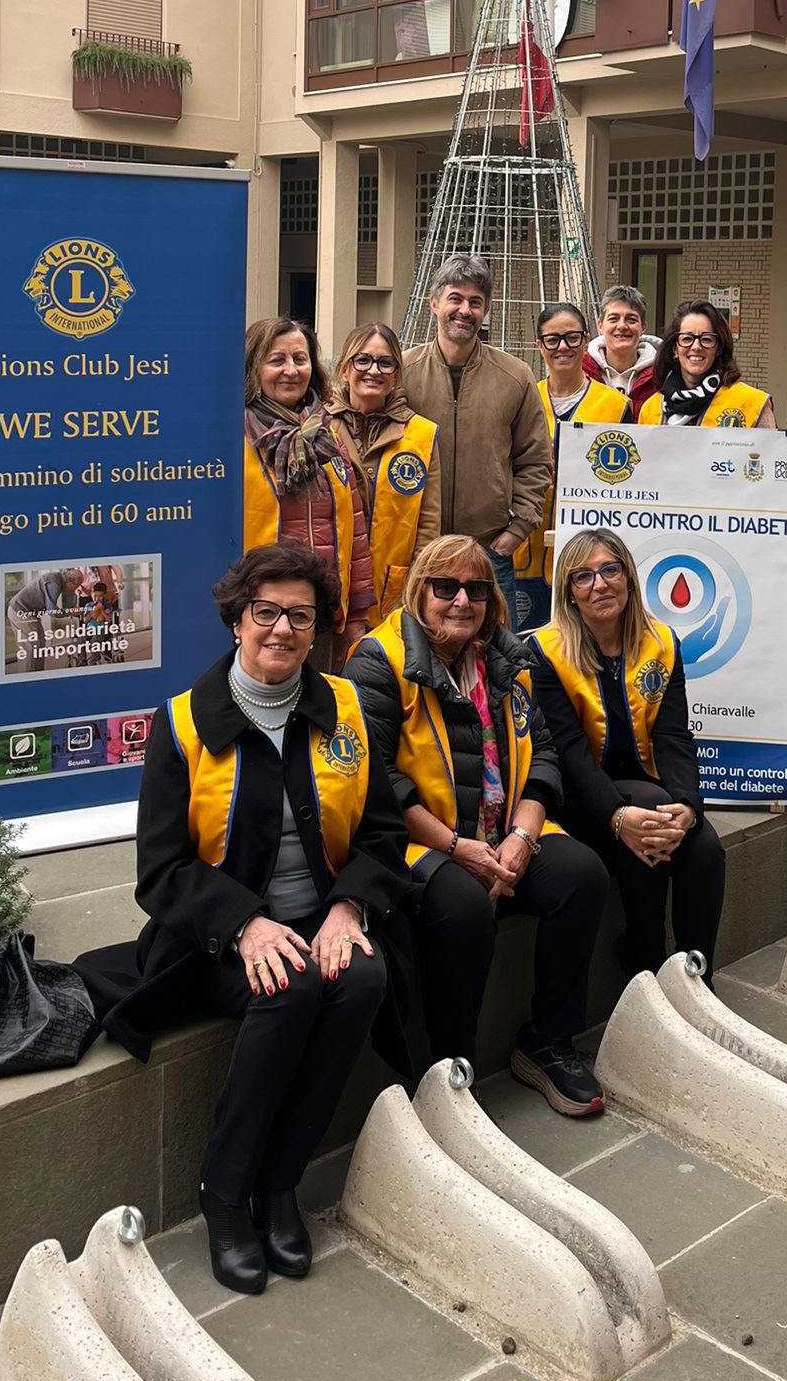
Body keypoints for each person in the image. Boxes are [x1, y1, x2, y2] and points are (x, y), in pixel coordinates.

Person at [76, 544, 411, 1296]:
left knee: (363, 978)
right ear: (237, 620)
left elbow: (382, 834)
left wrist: (348, 907)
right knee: (289, 987)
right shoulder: (182, 723)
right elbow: (161, 870)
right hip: (214, 940)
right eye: (266, 612)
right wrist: (248, 925)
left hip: (323, 917)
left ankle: (279, 1183)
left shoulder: (344, 709)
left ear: (317, 629)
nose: (282, 629)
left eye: (301, 616)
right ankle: (225, 1193)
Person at [349, 535, 609, 1117]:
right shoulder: (378, 659)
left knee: (582, 875)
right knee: (463, 907)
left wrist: (522, 837)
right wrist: (458, 846)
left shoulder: (507, 658)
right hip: (418, 840)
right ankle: (451, 1073)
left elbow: (543, 754)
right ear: (419, 592)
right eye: (446, 587)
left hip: (502, 830)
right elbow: (375, 778)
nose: (462, 600)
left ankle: (548, 1040)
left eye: (477, 589)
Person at [531, 529, 724, 980]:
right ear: (569, 593)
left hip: (647, 793)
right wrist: (618, 815)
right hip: (580, 801)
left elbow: (674, 736)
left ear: (629, 578)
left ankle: (698, 978)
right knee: (648, 817)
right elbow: (568, 752)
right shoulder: (545, 652)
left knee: (705, 849)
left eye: (610, 570)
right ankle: (646, 963)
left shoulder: (661, 641)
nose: (599, 584)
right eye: (583, 576)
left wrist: (688, 808)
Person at [403, 255, 553, 630]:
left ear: (485, 310)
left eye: (475, 302)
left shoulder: (514, 376)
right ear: (434, 303)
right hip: (417, 553)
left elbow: (535, 461)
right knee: (414, 654)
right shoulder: (402, 374)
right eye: (455, 298)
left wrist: (516, 531)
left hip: (488, 553)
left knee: (498, 655)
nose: (465, 310)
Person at [243, 317, 373, 668]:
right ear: (253, 368)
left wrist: (357, 612)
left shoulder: (328, 438)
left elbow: (355, 529)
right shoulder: (232, 441)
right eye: (277, 360)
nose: (291, 370)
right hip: (259, 619)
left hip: (320, 616)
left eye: (300, 359)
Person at [513, 303, 631, 630]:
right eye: (552, 339)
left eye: (572, 338)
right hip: (526, 553)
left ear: (586, 340)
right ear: (539, 345)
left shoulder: (617, 407)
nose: (562, 347)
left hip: (589, 560)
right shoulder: (522, 400)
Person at [324, 322, 441, 625]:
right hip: (328, 589)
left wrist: (416, 589)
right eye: (362, 360)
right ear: (344, 368)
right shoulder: (318, 428)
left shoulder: (421, 435)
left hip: (391, 593)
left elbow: (428, 526)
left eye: (385, 363)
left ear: (397, 375)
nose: (373, 370)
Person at [638, 301, 776, 428]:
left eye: (706, 339)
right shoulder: (650, 409)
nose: (696, 347)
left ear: (718, 348)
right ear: (675, 349)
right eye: (687, 338)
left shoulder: (753, 404)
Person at [583, 285, 661, 416]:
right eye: (613, 319)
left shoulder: (662, 375)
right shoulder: (581, 372)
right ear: (600, 326)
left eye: (631, 319)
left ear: (643, 327)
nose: (622, 326)